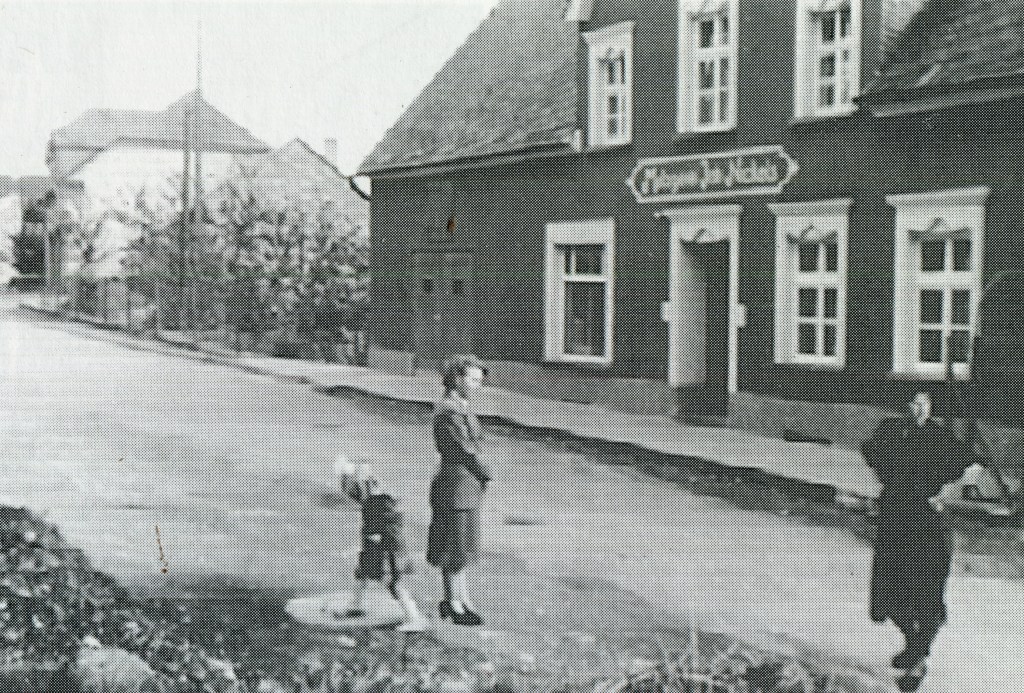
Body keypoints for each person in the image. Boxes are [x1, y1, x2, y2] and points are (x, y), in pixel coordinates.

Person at [861, 392, 976, 672]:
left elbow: (972, 465)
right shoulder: (891, 430)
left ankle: (918, 659)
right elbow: (870, 453)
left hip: (927, 524)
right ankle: (914, 644)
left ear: (931, 406)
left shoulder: (940, 437)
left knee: (925, 593)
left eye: (923, 403)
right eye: (913, 402)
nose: (918, 408)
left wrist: (946, 493)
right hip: (894, 519)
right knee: (888, 595)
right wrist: (884, 484)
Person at [427, 355, 491, 626]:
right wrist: (485, 473)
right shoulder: (450, 412)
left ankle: (459, 599)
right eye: (473, 380)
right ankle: (455, 604)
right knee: (456, 546)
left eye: (479, 380)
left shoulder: (460, 408)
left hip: (462, 484)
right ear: (457, 379)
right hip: (457, 485)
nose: (478, 385)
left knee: (457, 545)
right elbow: (466, 450)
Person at [334, 456, 426, 632]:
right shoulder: (374, 499)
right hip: (378, 546)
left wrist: (375, 539)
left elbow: (384, 530)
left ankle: (414, 617)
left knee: (392, 582)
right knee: (362, 572)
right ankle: (355, 606)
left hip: (386, 549)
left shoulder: (378, 503)